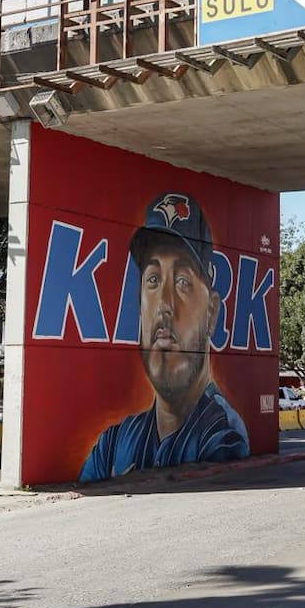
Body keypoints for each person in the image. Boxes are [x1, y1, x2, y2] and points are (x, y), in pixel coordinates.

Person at [79, 192, 249, 482]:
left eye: (183, 281)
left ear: (211, 312)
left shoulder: (222, 434)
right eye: (153, 280)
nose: (164, 304)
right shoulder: (113, 444)